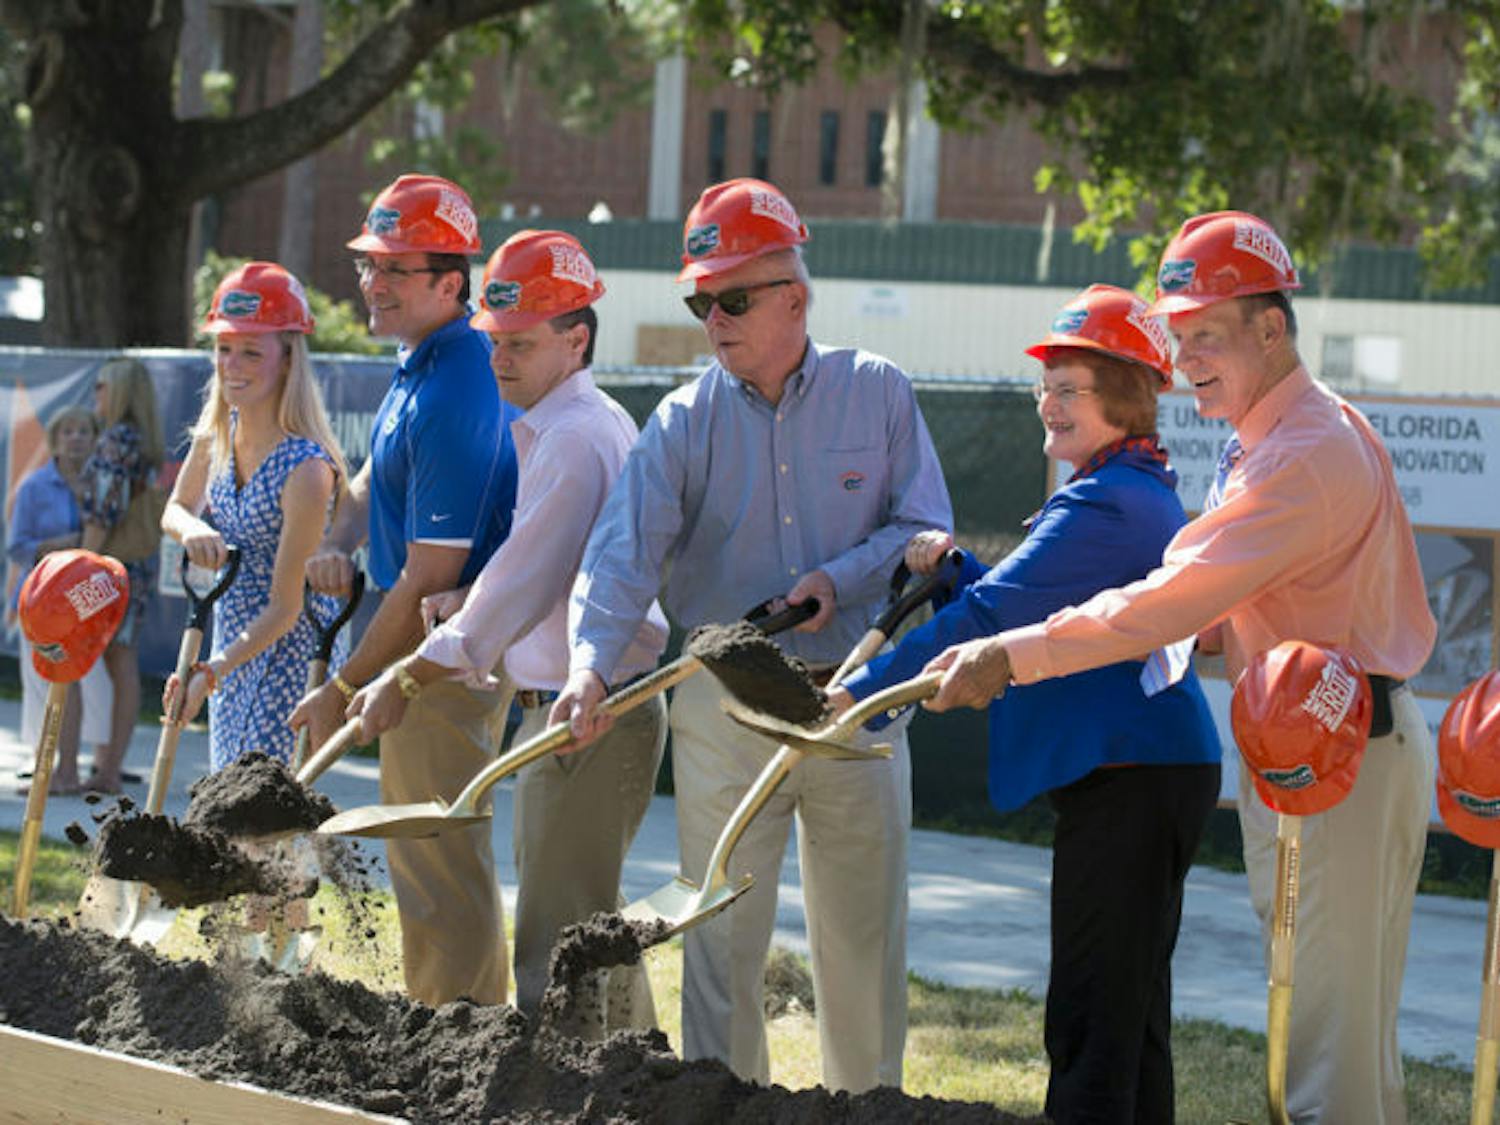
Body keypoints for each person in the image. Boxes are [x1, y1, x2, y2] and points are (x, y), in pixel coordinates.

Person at [920, 211, 1435, 1124]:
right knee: (1341, 1044)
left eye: (1208, 333)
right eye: (1179, 332)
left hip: (1339, 757)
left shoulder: (1301, 453)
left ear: (1270, 328)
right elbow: (1229, 607)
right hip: (1330, 747)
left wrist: (1012, 653)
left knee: (1324, 1064)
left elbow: (1172, 602)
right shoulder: (1290, 435)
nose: (1185, 354)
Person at [552, 178, 952, 1092]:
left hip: (857, 695)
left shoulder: (879, 392)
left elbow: (926, 531)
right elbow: (621, 557)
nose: (713, 320)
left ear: (794, 298)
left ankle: (868, 1113)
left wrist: (838, 579)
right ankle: (722, 1112)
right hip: (723, 700)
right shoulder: (682, 421)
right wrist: (587, 668)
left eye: (732, 298)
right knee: (719, 934)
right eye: (701, 301)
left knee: (862, 940)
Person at [828, 284, 1221, 1123]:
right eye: (1045, 387)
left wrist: (856, 695)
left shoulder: (1109, 500)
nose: (1048, 403)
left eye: (1069, 388)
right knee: (1127, 1016)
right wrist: (961, 569)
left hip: (1134, 774)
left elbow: (993, 619)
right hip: (1148, 770)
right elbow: (1024, 597)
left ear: (1127, 393)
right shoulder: (1123, 487)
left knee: (1091, 1015)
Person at [348, 230, 669, 1033]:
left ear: (577, 339)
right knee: (580, 933)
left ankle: (600, 1095)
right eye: (494, 341)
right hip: (570, 707)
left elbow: (523, 576)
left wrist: (413, 672)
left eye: (520, 343)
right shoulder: (561, 427)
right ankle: (637, 1085)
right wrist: (467, 610)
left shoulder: (572, 438)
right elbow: (546, 578)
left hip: (593, 711)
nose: (499, 359)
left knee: (563, 944)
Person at [289, 173, 520, 1008]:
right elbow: (367, 500)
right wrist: (338, 536)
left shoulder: (459, 385)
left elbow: (433, 572)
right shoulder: (419, 363)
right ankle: (453, 1045)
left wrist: (347, 685)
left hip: (443, 663)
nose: (371, 285)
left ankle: (462, 1051)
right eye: (365, 266)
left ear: (450, 284)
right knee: (424, 863)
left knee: (436, 865)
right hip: (416, 650)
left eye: (393, 269)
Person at [160, 262, 346, 771]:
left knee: (262, 804)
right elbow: (174, 509)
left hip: (293, 648)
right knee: (229, 787)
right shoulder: (214, 435)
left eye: (250, 352)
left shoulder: (306, 469)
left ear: (287, 359)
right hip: (232, 633)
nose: (232, 366)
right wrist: (194, 528)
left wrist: (211, 671)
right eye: (224, 349)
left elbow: (286, 608)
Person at [7, 405, 113, 795]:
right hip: (42, 605)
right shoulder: (34, 487)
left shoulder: (102, 484)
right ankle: (42, 767)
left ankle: (96, 764)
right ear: (54, 439)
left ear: (94, 437)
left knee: (96, 682)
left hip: (89, 604)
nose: (76, 438)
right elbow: (17, 549)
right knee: (40, 684)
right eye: (67, 431)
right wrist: (64, 546)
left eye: (83, 430)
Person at [79, 356, 165, 794]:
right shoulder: (144, 442)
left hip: (109, 568)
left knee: (112, 664)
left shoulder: (115, 441)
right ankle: (109, 763)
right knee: (122, 663)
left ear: (120, 392)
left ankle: (105, 768)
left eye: (102, 386)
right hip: (138, 566)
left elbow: (102, 514)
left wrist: (78, 566)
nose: (95, 394)